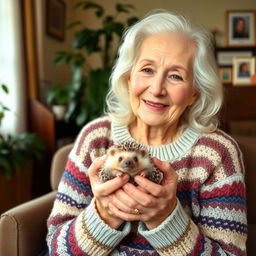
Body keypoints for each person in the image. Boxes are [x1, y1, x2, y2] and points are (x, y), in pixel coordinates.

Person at [46, 11, 247, 255]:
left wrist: (165, 219)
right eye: (147, 70)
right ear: (129, 78)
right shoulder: (96, 138)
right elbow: (57, 249)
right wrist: (105, 214)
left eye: (175, 76)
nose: (157, 88)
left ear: (194, 92)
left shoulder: (217, 153)